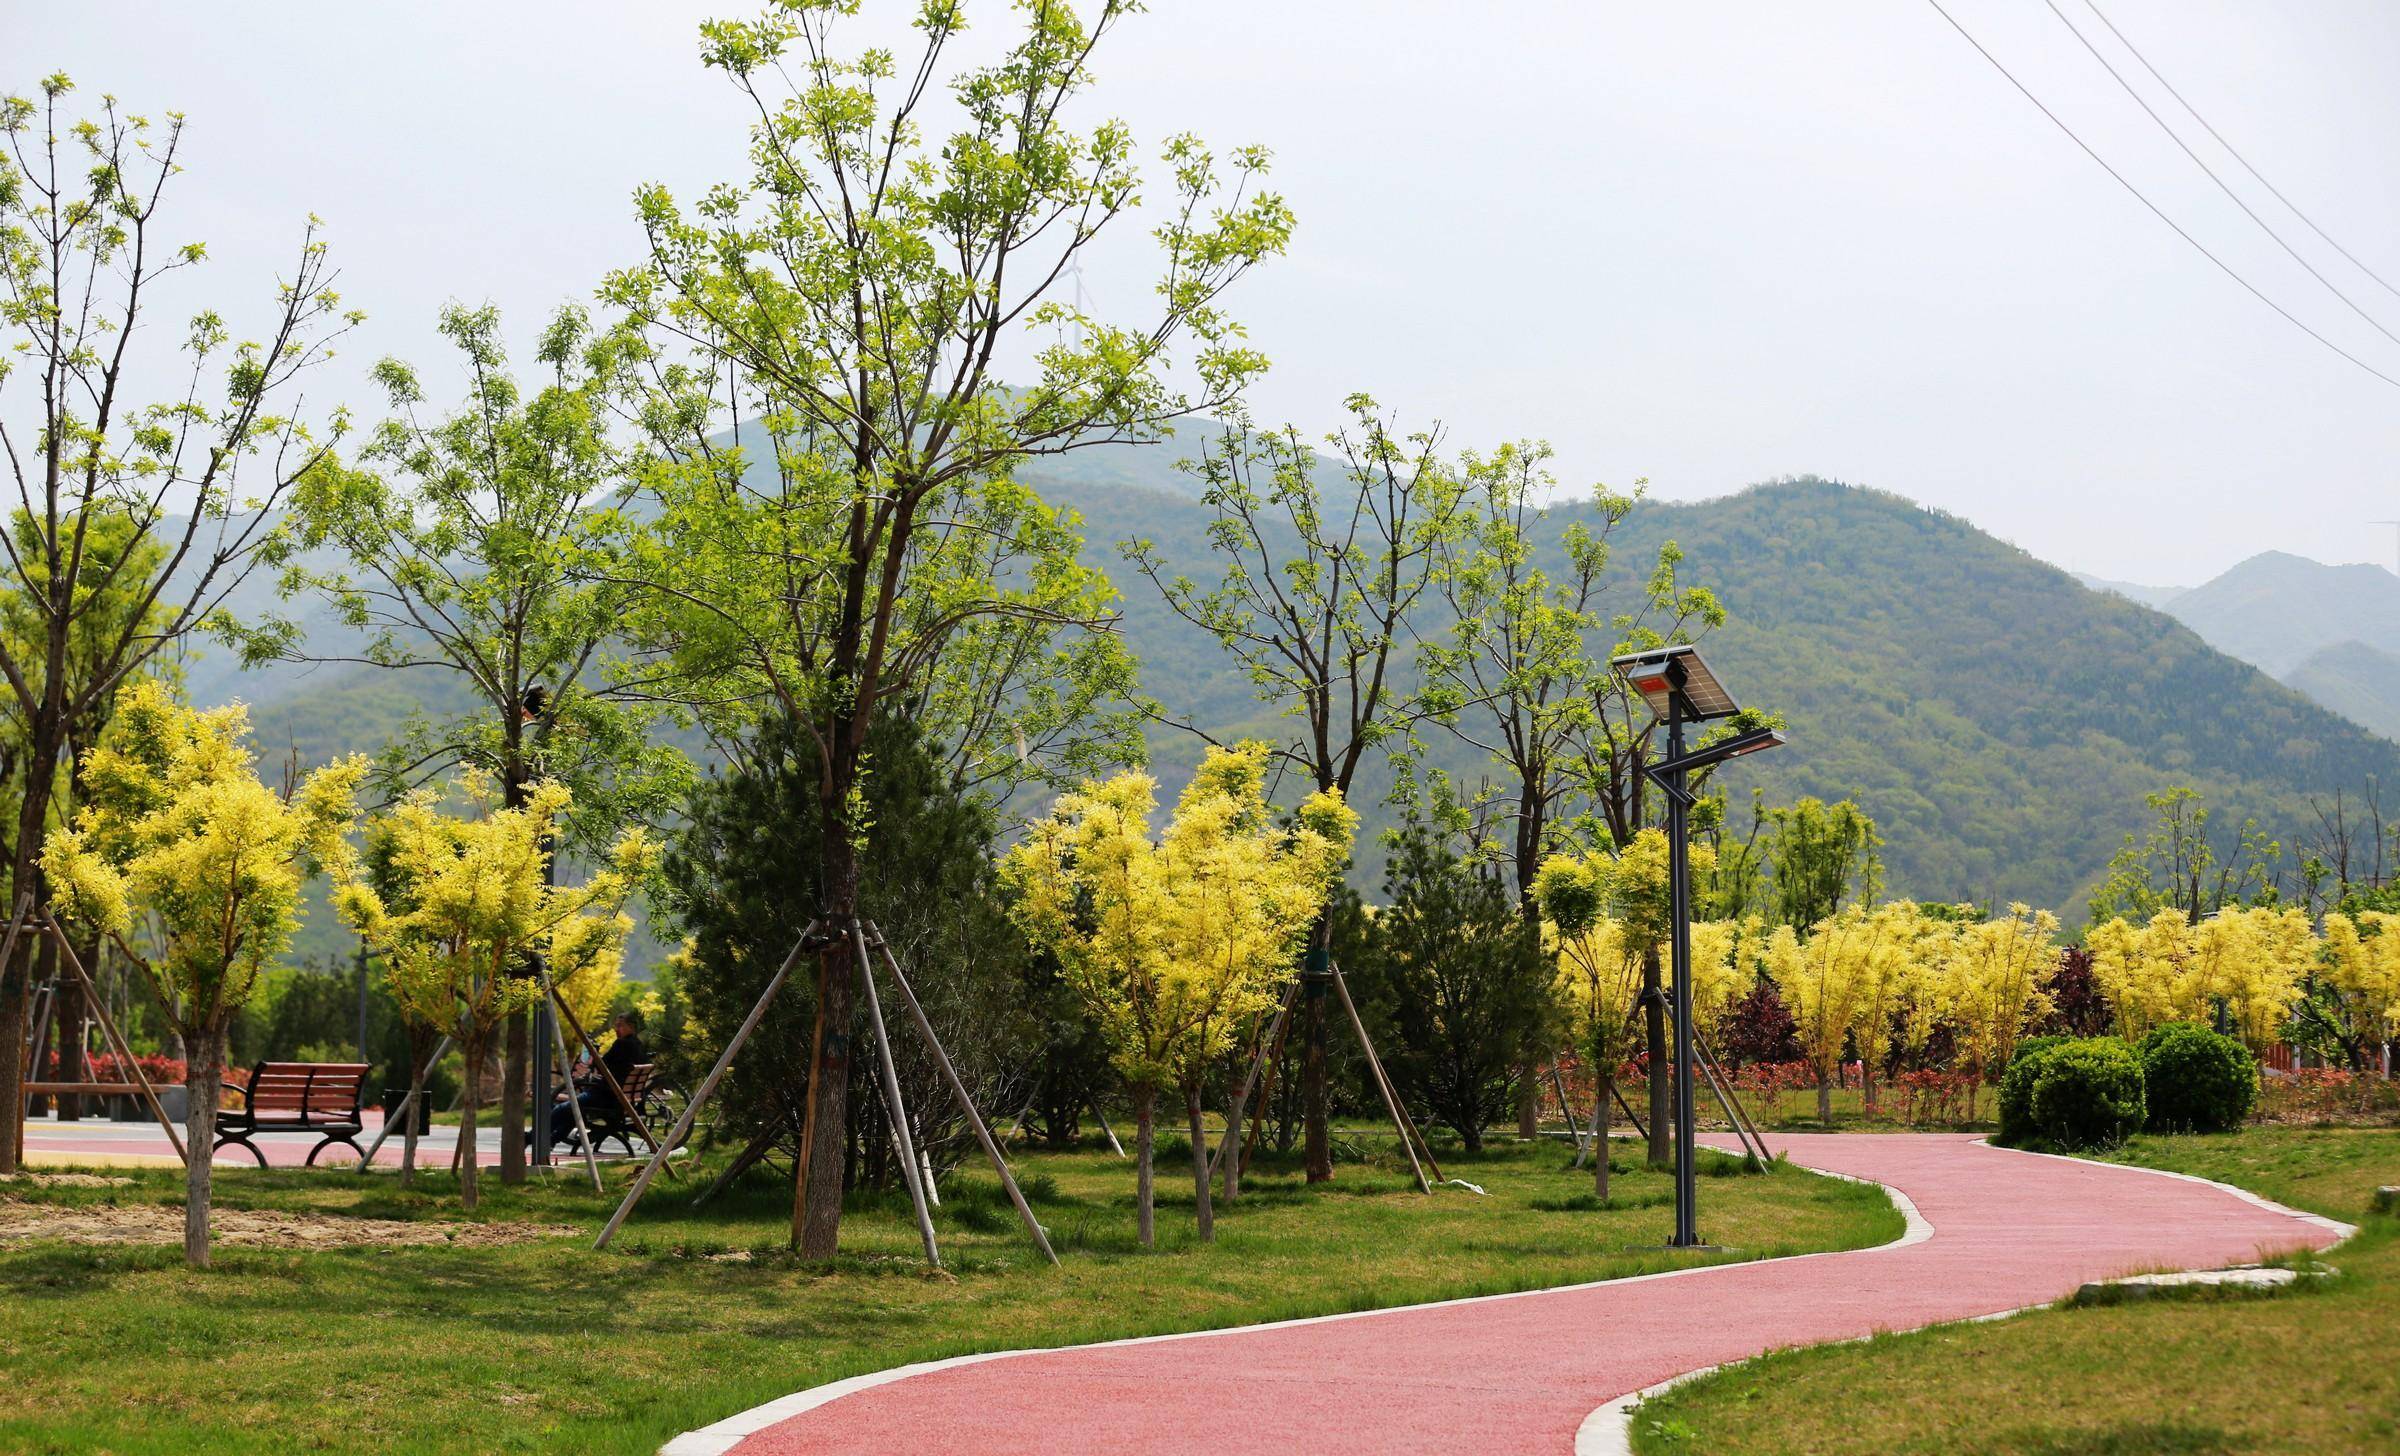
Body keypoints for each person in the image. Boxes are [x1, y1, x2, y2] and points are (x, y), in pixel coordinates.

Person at [545, 1010, 649, 1151]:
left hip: (606, 1098)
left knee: (561, 1108)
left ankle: (533, 1138)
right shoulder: (638, 1045)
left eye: (620, 1026)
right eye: (615, 1025)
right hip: (621, 1099)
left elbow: (601, 1064)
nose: (616, 1029)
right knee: (574, 1109)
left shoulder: (622, 1044)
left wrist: (594, 1057)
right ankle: (551, 1140)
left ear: (631, 1027)